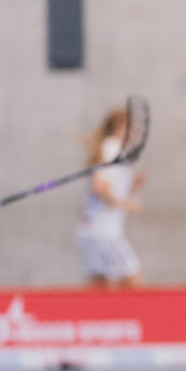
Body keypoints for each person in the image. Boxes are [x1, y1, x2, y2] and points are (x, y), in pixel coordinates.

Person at [77, 106, 145, 289]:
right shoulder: (111, 148)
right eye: (131, 127)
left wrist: (131, 186)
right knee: (132, 276)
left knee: (99, 283)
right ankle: (143, 317)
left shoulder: (112, 150)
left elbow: (109, 186)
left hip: (92, 229)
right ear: (120, 127)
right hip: (104, 231)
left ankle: (88, 318)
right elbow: (98, 187)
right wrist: (125, 203)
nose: (135, 132)